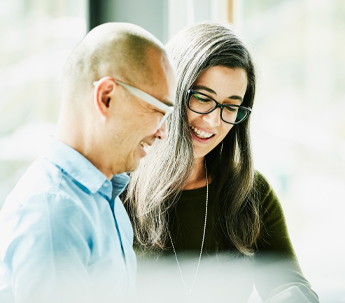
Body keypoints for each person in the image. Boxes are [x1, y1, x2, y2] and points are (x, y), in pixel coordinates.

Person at [124, 22, 319, 303]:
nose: (214, 122)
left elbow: (291, 288)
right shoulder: (117, 189)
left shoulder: (251, 193)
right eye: (203, 98)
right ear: (171, 91)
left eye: (231, 106)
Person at [0, 22, 176, 303]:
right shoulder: (55, 212)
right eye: (157, 110)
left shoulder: (105, 198)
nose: (162, 132)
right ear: (106, 97)